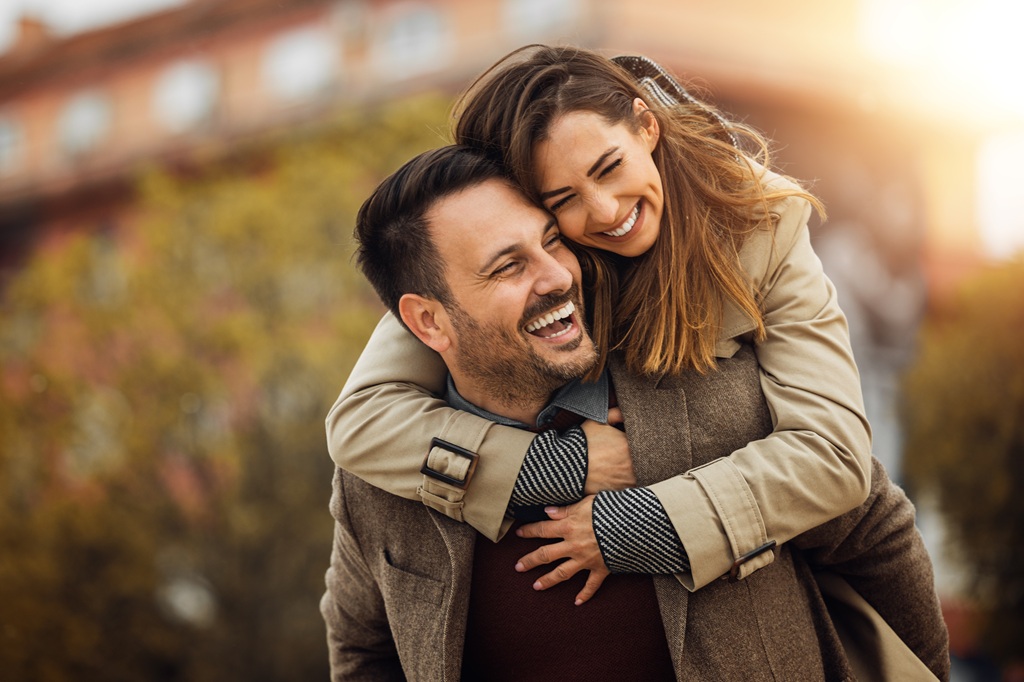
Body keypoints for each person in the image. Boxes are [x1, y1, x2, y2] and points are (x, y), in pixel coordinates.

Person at [321, 145, 948, 680]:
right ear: (428, 321)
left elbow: (876, 536)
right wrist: (553, 468)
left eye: (551, 242)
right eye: (508, 267)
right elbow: (363, 649)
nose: (558, 276)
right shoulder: (380, 483)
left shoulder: (711, 396)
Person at [327, 44, 872, 598]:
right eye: (563, 199)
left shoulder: (759, 223)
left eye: (609, 168)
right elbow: (364, 425)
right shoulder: (515, 267)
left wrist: (639, 524)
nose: (607, 211)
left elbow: (836, 456)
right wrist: (561, 465)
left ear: (646, 126)